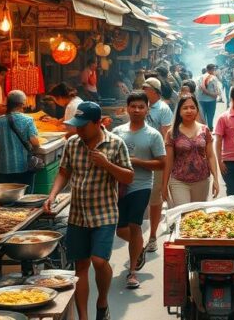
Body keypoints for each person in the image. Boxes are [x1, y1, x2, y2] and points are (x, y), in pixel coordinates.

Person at [44, 101, 133, 320]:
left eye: (83, 126)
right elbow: (64, 172)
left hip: (104, 213)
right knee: (80, 266)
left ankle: (102, 301)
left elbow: (128, 177)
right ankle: (84, 316)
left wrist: (108, 165)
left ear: (97, 123)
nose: (79, 130)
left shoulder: (116, 144)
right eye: (77, 126)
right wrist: (53, 194)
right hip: (78, 214)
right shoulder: (73, 143)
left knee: (99, 261)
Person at [112, 92, 166, 290]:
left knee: (135, 226)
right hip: (119, 187)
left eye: (141, 107)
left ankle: (132, 272)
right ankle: (140, 247)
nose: (136, 110)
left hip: (141, 186)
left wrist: (138, 162)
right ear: (127, 109)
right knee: (120, 229)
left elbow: (161, 163)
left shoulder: (153, 135)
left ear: (147, 109)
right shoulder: (117, 132)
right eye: (133, 106)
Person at [162, 95, 219, 207]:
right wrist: (164, 185)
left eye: (192, 107)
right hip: (179, 181)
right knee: (184, 213)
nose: (189, 111)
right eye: (185, 108)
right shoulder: (172, 133)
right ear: (179, 111)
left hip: (202, 180)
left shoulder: (205, 130)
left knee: (198, 216)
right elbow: (168, 161)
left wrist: (216, 179)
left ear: (197, 110)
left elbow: (211, 156)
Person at [142, 77, 173, 253]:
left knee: (155, 199)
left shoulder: (162, 109)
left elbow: (166, 136)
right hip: (139, 160)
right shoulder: (142, 106)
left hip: (156, 160)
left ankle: (153, 235)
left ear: (153, 91)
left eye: (145, 88)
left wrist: (167, 163)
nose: (142, 90)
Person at [0, 90, 41, 188]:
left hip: (4, 168)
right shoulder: (28, 120)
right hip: (24, 167)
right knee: (24, 197)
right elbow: (35, 142)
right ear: (22, 104)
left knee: (6, 197)